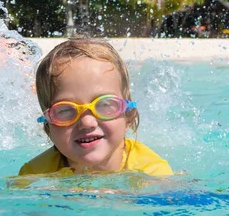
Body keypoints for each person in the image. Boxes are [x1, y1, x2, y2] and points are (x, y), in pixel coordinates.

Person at [18, 38, 173, 177]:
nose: (87, 122)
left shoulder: (153, 174)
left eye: (105, 105)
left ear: (129, 117)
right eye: (65, 110)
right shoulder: (34, 175)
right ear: (48, 127)